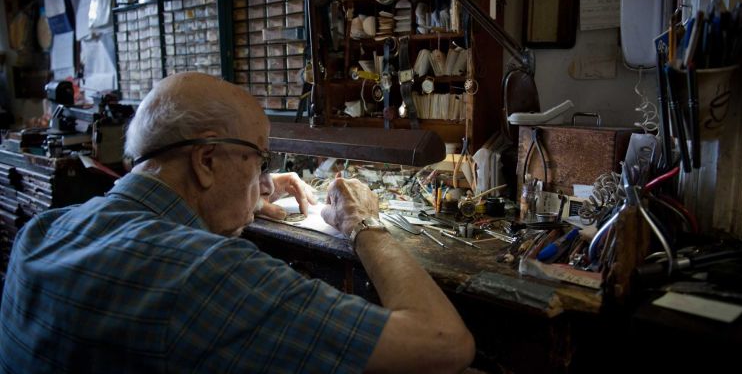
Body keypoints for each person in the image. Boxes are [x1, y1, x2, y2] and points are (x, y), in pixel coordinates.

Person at [0, 72, 474, 373]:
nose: (263, 177)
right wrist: (362, 223)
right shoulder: (208, 272)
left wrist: (233, 197)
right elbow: (444, 345)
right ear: (206, 160)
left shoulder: (40, 234)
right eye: (258, 160)